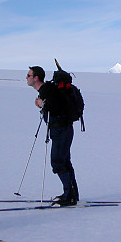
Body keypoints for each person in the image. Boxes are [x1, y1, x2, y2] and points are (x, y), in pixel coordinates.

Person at [26, 66, 79, 206]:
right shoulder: (48, 89)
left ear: (36, 77)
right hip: (63, 129)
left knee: (57, 162)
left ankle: (69, 196)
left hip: (61, 129)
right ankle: (72, 194)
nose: (27, 78)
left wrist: (41, 104)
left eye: (29, 75)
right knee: (64, 161)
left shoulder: (47, 90)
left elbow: (54, 108)